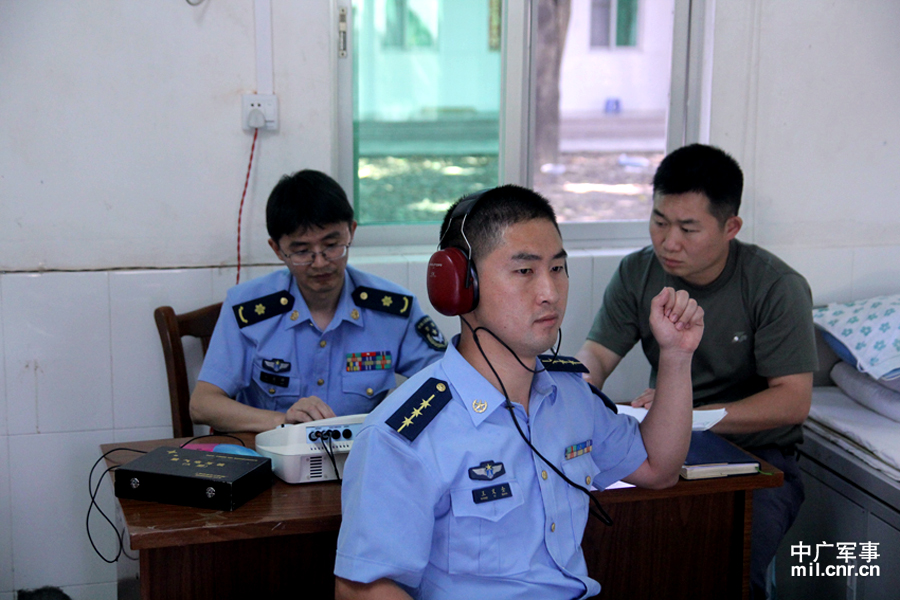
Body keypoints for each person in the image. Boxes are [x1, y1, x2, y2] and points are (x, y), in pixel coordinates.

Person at [334, 185, 704, 599]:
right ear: (461, 285)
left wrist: (675, 356)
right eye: (525, 271)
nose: (550, 292)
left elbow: (658, 468)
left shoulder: (569, 394)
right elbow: (362, 588)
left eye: (558, 269)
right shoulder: (403, 434)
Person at [576, 143, 816, 600]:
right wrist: (572, 395)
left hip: (758, 458)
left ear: (731, 227)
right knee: (620, 555)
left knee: (728, 574)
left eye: (688, 228)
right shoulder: (637, 273)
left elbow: (792, 401)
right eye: (660, 221)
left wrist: (687, 412)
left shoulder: (774, 287)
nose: (669, 242)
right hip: (660, 447)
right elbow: (598, 356)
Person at [190, 169, 447, 433]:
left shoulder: (393, 310)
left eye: (332, 245)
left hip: (362, 457)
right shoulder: (247, 309)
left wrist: (395, 429)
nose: (321, 262)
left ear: (351, 232)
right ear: (277, 249)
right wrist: (284, 423)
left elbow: (446, 382)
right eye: (302, 251)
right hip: (274, 457)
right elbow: (203, 404)